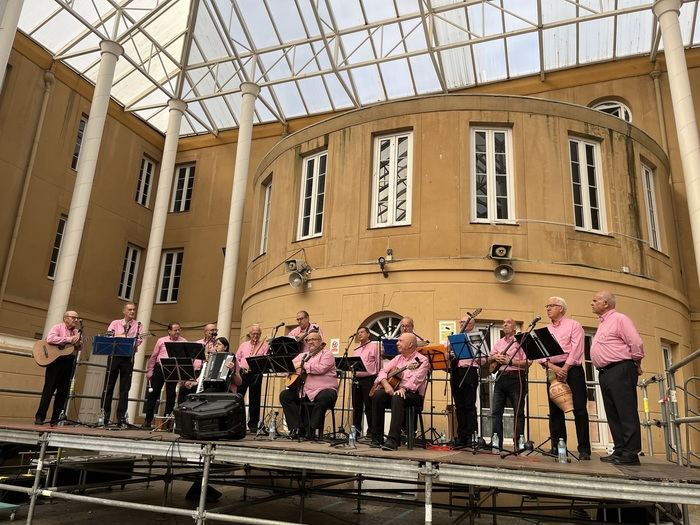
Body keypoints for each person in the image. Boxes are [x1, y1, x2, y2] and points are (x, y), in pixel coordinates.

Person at [590, 291, 644, 465]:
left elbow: (635, 343)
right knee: (612, 412)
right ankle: (620, 449)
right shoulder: (603, 323)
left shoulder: (620, 319)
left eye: (595, 300)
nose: (592, 303)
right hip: (606, 372)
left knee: (625, 411)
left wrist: (635, 363)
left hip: (620, 368)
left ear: (606, 303)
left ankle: (631, 453)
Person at [541, 296, 592, 460]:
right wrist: (555, 368)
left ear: (561, 308)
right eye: (547, 306)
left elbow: (577, 349)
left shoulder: (574, 325)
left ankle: (584, 449)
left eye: (551, 305)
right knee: (555, 410)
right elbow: (541, 356)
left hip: (572, 370)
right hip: (552, 370)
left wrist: (565, 368)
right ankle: (558, 446)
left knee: (579, 409)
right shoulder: (546, 329)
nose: (548, 308)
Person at [371, 332, 430, 451]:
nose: (397, 343)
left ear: (410, 345)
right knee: (378, 395)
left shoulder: (422, 360)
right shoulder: (398, 358)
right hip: (394, 391)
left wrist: (403, 388)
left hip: (413, 395)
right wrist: (386, 384)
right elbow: (382, 372)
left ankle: (393, 440)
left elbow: (416, 380)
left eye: (400, 341)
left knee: (398, 397)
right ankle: (377, 438)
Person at [279, 331, 337, 440]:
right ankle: (298, 428)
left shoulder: (327, 354)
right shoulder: (302, 355)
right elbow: (287, 367)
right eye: (308, 340)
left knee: (324, 397)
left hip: (325, 389)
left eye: (313, 339)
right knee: (285, 395)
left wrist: (303, 365)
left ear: (320, 342)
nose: (310, 342)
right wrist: (292, 369)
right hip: (305, 390)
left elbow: (320, 368)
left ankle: (311, 429)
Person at [35, 311, 82, 425]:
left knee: (63, 392)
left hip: (69, 361)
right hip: (55, 361)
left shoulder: (76, 331)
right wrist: (68, 339)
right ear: (66, 318)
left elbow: (78, 348)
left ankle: (55, 419)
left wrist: (78, 343)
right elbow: (50, 339)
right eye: (73, 318)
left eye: (77, 318)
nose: (76, 320)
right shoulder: (57, 327)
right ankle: (40, 417)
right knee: (49, 389)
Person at [488, 318, 528, 449]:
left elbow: (528, 363)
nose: (505, 324)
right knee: (496, 412)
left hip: (516, 377)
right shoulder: (499, 342)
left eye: (508, 322)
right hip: (500, 377)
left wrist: (510, 362)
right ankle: (496, 443)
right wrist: (496, 357)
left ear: (515, 327)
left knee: (518, 413)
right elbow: (489, 359)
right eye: (503, 323)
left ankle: (518, 444)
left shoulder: (521, 341)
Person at [101, 302, 142, 425]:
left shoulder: (138, 325)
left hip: (128, 357)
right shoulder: (115, 323)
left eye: (134, 309)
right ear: (124, 311)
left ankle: (121, 417)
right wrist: (123, 336)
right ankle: (105, 415)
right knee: (108, 386)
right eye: (129, 309)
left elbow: (138, 341)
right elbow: (109, 336)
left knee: (125, 388)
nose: (132, 312)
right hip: (114, 356)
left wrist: (126, 339)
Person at [143, 322, 186, 429]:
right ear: (169, 331)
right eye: (175, 330)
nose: (177, 332)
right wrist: (150, 371)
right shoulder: (161, 340)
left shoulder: (183, 341)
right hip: (160, 368)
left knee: (171, 395)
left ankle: (167, 422)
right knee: (153, 394)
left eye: (179, 330)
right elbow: (153, 357)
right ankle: (148, 421)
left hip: (173, 369)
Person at [449, 315, 480, 446]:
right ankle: (461, 436)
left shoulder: (476, 337)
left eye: (465, 322)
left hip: (470, 371)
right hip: (456, 372)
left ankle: (471, 435)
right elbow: (446, 353)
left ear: (471, 324)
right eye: (461, 322)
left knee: (469, 404)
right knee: (459, 405)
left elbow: (483, 358)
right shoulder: (455, 338)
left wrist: (473, 354)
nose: (462, 324)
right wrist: (448, 353)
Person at [235, 324, 269, 431]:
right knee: (239, 397)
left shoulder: (264, 345)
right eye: (254, 333)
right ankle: (238, 422)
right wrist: (240, 367)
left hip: (256, 373)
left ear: (260, 334)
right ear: (250, 334)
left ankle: (253, 424)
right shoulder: (243, 345)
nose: (256, 336)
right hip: (243, 373)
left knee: (255, 399)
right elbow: (237, 358)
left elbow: (265, 360)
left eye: (258, 334)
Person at [351, 326, 381, 436]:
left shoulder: (374, 346)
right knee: (356, 406)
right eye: (358, 333)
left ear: (368, 334)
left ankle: (371, 432)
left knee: (369, 406)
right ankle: (356, 432)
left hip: (369, 379)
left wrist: (377, 381)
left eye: (362, 332)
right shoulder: (356, 348)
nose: (359, 334)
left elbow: (378, 364)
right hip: (356, 379)